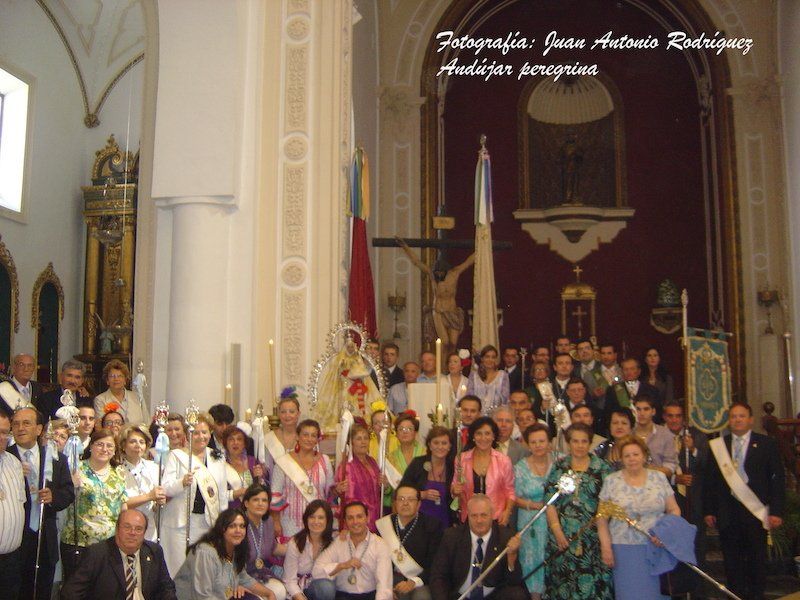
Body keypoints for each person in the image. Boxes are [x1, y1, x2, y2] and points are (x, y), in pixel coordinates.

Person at [703, 402, 785, 600]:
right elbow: (711, 481)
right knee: (732, 560)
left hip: (755, 511)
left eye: (741, 416)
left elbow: (777, 479)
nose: (737, 420)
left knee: (757, 559)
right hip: (727, 512)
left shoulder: (766, 444)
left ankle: (756, 596)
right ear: (728, 421)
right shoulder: (719, 446)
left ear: (750, 420)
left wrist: (776, 511)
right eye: (733, 416)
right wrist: (709, 510)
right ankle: (736, 596)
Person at [597, 436, 681, 600]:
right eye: (627, 455)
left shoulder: (659, 478)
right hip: (623, 549)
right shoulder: (611, 481)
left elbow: (674, 509)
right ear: (621, 459)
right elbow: (601, 518)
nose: (632, 459)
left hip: (655, 547)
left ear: (644, 455)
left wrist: (665, 533)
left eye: (635, 454)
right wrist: (606, 547)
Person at [160, 412, 242, 576]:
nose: (200, 436)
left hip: (207, 523)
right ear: (187, 434)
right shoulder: (176, 456)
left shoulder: (216, 457)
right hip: (180, 524)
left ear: (210, 432)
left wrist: (223, 522)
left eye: (204, 432)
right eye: (195, 432)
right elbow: (166, 488)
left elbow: (221, 494)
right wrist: (181, 482)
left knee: (202, 570)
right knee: (179, 570)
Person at [8, 406, 75, 600]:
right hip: (14, 540)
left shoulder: (55, 458)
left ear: (39, 429)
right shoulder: (6, 457)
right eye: (16, 424)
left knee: (42, 591)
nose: (20, 428)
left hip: (44, 538)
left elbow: (68, 492)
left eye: (26, 423)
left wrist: (54, 497)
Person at [544, 423, 613, 599]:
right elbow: (550, 502)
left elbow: (607, 506)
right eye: (575, 441)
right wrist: (557, 531)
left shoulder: (602, 468)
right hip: (561, 539)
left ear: (590, 443)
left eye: (584, 441)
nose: (580, 445)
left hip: (592, 540)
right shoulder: (559, 467)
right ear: (568, 443)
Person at [59, 508, 177, 599]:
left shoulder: (154, 552)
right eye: (127, 527)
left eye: (138, 529)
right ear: (117, 529)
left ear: (144, 533)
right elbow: (70, 593)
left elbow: (166, 588)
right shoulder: (97, 554)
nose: (132, 533)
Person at [61, 428, 128, 582]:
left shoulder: (119, 472)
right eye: (99, 444)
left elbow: (123, 505)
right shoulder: (76, 468)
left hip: (109, 544)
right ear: (90, 446)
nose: (105, 449)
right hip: (78, 542)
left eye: (109, 446)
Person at [429, 494, 525, 599]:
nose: (479, 521)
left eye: (484, 515)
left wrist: (511, 557)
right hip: (460, 596)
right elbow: (438, 576)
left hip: (492, 596)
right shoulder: (452, 537)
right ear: (467, 515)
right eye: (474, 516)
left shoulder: (505, 537)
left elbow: (514, 581)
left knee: (517, 594)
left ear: (492, 515)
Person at [174, 508, 278, 599]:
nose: (238, 531)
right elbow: (202, 596)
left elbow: (243, 578)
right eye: (232, 526)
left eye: (242, 526)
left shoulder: (235, 549)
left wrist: (269, 593)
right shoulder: (205, 553)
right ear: (222, 528)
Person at [396, 237, 475, 353]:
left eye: (440, 272)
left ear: (446, 270)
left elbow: (469, 262)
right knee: (445, 343)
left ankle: (451, 367)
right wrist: (404, 247)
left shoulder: (454, 273)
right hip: (438, 313)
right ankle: (442, 368)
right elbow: (416, 262)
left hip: (452, 312)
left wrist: (482, 243)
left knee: (453, 343)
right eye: (436, 272)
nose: (438, 275)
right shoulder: (431, 274)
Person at [313, 500, 393, 600]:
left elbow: (384, 586)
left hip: (370, 596)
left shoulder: (380, 545)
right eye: (350, 518)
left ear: (367, 518)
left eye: (359, 517)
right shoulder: (339, 542)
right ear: (345, 521)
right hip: (342, 596)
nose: (355, 522)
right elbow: (316, 571)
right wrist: (341, 566)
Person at [271, 419, 337, 538]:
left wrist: (338, 490)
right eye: (305, 435)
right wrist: (276, 522)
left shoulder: (325, 461)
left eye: (313, 436)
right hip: (290, 523)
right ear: (297, 436)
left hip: (317, 522)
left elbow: (330, 494)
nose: (309, 439)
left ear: (318, 439)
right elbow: (275, 495)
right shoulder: (283, 462)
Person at [375, 485, 442, 600]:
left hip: (420, 580)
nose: (405, 503)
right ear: (395, 503)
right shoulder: (384, 525)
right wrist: (385, 587)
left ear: (419, 504)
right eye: (401, 499)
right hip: (388, 578)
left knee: (422, 597)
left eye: (410, 500)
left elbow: (436, 563)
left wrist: (413, 582)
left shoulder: (432, 526)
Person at [513, 423, 553, 599]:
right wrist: (533, 505)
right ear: (528, 444)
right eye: (533, 442)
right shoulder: (520, 467)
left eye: (542, 441)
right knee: (531, 561)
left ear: (549, 442)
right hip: (530, 521)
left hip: (554, 521)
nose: (538, 445)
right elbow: (514, 497)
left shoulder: (559, 462)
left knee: (551, 559)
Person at [452, 416, 515, 525]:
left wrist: (507, 512)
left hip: (496, 517)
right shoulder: (461, 459)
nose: (483, 438)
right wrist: (454, 490)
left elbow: (510, 492)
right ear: (473, 436)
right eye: (479, 433)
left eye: (487, 433)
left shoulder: (504, 461)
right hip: (469, 517)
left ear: (493, 436)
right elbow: (454, 487)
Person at [399, 425, 455, 529]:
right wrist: (422, 494)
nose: (440, 447)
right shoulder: (418, 463)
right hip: (418, 523)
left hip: (445, 523)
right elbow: (401, 490)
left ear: (450, 446)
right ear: (429, 445)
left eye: (444, 443)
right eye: (436, 443)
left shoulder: (453, 467)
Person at [282, 500, 336, 600]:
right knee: (326, 587)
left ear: (328, 520)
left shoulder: (333, 542)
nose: (316, 521)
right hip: (298, 590)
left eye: (321, 518)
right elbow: (289, 580)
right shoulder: (295, 543)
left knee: (326, 587)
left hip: (322, 588)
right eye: (312, 517)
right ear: (306, 519)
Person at [119, 423, 164, 542]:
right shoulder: (117, 470)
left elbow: (157, 498)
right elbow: (120, 503)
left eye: (141, 442)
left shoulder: (154, 467)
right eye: (133, 441)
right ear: (124, 445)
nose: (137, 445)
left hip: (149, 527)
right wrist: (149, 496)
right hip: (127, 526)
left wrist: (159, 501)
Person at [242, 483, 287, 600]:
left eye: (264, 500)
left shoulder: (268, 522)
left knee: (280, 591)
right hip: (240, 576)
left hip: (260, 573)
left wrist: (297, 548)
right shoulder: (238, 523)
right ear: (246, 503)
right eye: (256, 500)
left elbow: (273, 548)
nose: (260, 503)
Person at [335, 424, 384, 533]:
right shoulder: (347, 466)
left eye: (366, 438)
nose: (363, 442)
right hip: (357, 520)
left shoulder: (372, 461)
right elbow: (349, 498)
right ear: (351, 443)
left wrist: (384, 485)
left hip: (375, 516)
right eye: (358, 439)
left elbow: (378, 490)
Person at [0, 410, 26, 597]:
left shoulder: (14, 463)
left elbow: (19, 504)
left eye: (5, 432)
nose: (2, 437)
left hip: (12, 558)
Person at [632, 395, 677, 479]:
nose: (642, 413)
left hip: (658, 485)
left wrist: (648, 469)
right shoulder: (628, 434)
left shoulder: (665, 434)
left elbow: (670, 468)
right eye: (638, 409)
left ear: (653, 411)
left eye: (646, 409)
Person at [605, 358, 661, 424]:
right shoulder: (613, 390)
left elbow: (657, 413)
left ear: (639, 371)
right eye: (626, 369)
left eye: (632, 369)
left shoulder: (652, 390)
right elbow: (608, 413)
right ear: (621, 371)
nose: (629, 372)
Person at [35, 359, 93, 423]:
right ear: (61, 376)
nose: (72, 381)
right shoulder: (46, 399)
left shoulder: (86, 401)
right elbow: (43, 424)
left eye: (77, 377)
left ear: (82, 381)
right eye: (69, 375)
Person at [94, 359, 146, 428]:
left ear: (125, 380)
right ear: (107, 381)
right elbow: (101, 426)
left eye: (120, 376)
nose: (116, 379)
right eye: (112, 376)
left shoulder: (136, 397)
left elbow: (146, 422)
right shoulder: (100, 400)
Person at [225, 424, 266, 507]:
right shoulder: (220, 464)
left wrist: (259, 478)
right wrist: (240, 492)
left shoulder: (252, 462)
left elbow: (261, 491)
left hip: (251, 510)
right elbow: (218, 495)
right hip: (230, 512)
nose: (235, 443)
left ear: (244, 443)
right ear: (226, 443)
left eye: (239, 439)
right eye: (231, 439)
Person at [263, 394, 301, 476]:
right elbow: (265, 470)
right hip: (275, 486)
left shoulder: (305, 438)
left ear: (298, 414)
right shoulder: (269, 439)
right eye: (283, 412)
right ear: (279, 414)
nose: (287, 416)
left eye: (292, 412)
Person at [467, 345, 510, 413]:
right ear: (482, 358)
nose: (490, 360)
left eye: (493, 357)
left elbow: (505, 399)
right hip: (477, 415)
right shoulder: (474, 376)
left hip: (496, 416)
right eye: (487, 357)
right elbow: (469, 397)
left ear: (496, 359)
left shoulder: (503, 375)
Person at [389, 412, 425, 478]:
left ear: (415, 432)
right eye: (401, 429)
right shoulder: (391, 458)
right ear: (396, 434)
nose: (405, 432)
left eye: (409, 429)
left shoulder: (426, 453)